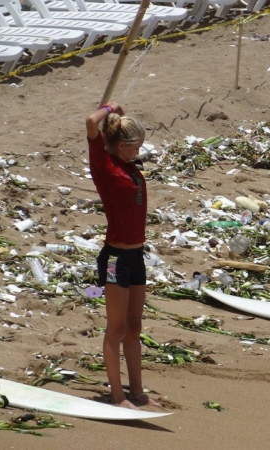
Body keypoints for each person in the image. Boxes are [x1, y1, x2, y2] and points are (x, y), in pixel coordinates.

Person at [86, 101, 159, 409]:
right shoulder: (104, 165)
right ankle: (117, 396)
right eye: (134, 146)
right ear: (119, 145)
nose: (138, 151)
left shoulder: (129, 166)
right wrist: (111, 107)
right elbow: (91, 121)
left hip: (136, 256)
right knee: (116, 328)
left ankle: (138, 392)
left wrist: (120, 116)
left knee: (134, 326)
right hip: (115, 257)